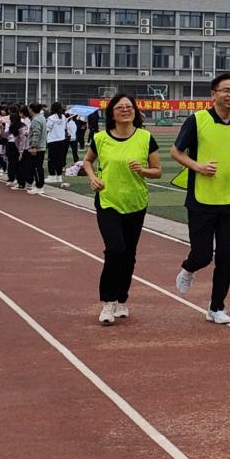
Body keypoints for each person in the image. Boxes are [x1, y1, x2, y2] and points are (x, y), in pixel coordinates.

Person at [170, 72, 230, 325]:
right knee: (202, 255)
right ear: (213, 94)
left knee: (227, 255)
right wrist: (197, 166)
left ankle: (216, 306)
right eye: (226, 90)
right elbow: (175, 151)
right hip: (201, 198)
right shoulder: (197, 120)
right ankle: (189, 268)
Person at [83, 93, 162, 325]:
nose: (125, 110)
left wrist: (143, 170)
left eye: (129, 107)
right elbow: (87, 161)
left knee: (128, 255)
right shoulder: (100, 138)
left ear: (135, 111)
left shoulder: (145, 137)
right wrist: (93, 178)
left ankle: (121, 299)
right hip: (108, 201)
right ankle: (108, 301)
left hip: (136, 202)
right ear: (112, 113)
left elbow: (157, 171)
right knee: (115, 249)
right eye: (120, 107)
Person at [27, 102, 48, 194]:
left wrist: (33, 146)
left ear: (31, 109)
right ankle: (39, 185)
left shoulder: (36, 120)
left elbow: (36, 133)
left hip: (38, 147)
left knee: (36, 167)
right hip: (41, 146)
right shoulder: (42, 117)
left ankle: (39, 186)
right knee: (38, 166)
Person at [46, 102, 68, 184]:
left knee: (51, 159)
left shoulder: (51, 118)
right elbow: (65, 127)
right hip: (61, 140)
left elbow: (47, 129)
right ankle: (59, 176)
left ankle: (52, 176)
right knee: (59, 159)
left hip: (53, 141)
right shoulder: (63, 117)